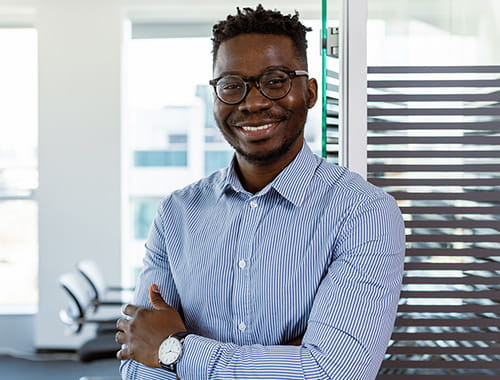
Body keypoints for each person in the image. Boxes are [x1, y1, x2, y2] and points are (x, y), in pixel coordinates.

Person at [115, 5, 405, 380]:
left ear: (310, 92)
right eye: (233, 85)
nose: (253, 103)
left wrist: (175, 348)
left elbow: (332, 372)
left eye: (275, 80)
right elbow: (139, 366)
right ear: (214, 97)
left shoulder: (364, 213)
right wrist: (283, 360)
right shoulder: (177, 213)